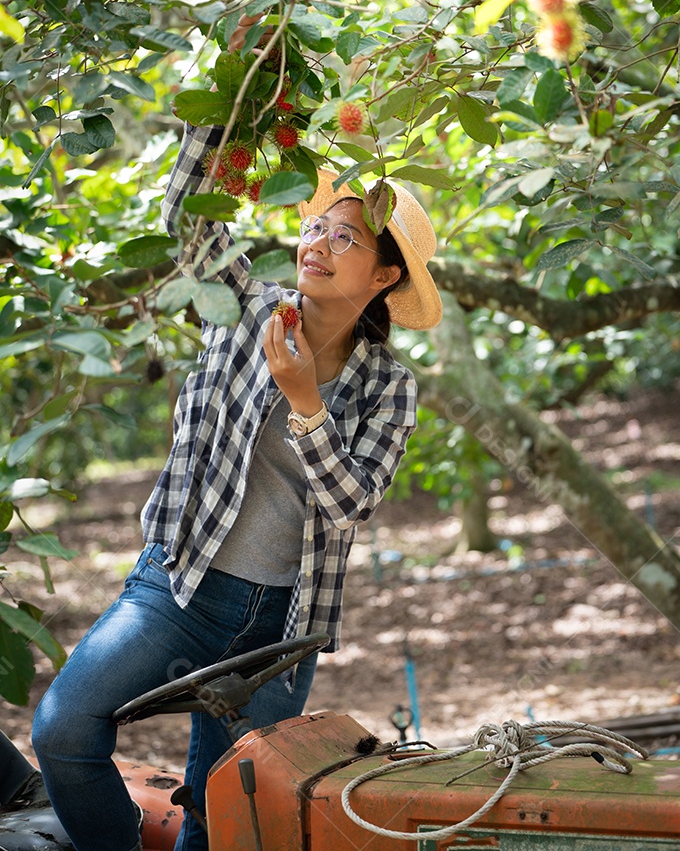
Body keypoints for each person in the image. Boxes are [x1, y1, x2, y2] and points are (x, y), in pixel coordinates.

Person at [31, 115, 443, 851]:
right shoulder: (250, 308)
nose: (316, 243)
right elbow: (187, 221)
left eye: (344, 236)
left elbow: (353, 505)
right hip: (180, 588)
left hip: (280, 627)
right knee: (63, 727)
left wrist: (306, 404)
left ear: (384, 276)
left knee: (227, 815)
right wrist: (227, 107)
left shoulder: (389, 386)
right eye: (315, 225)